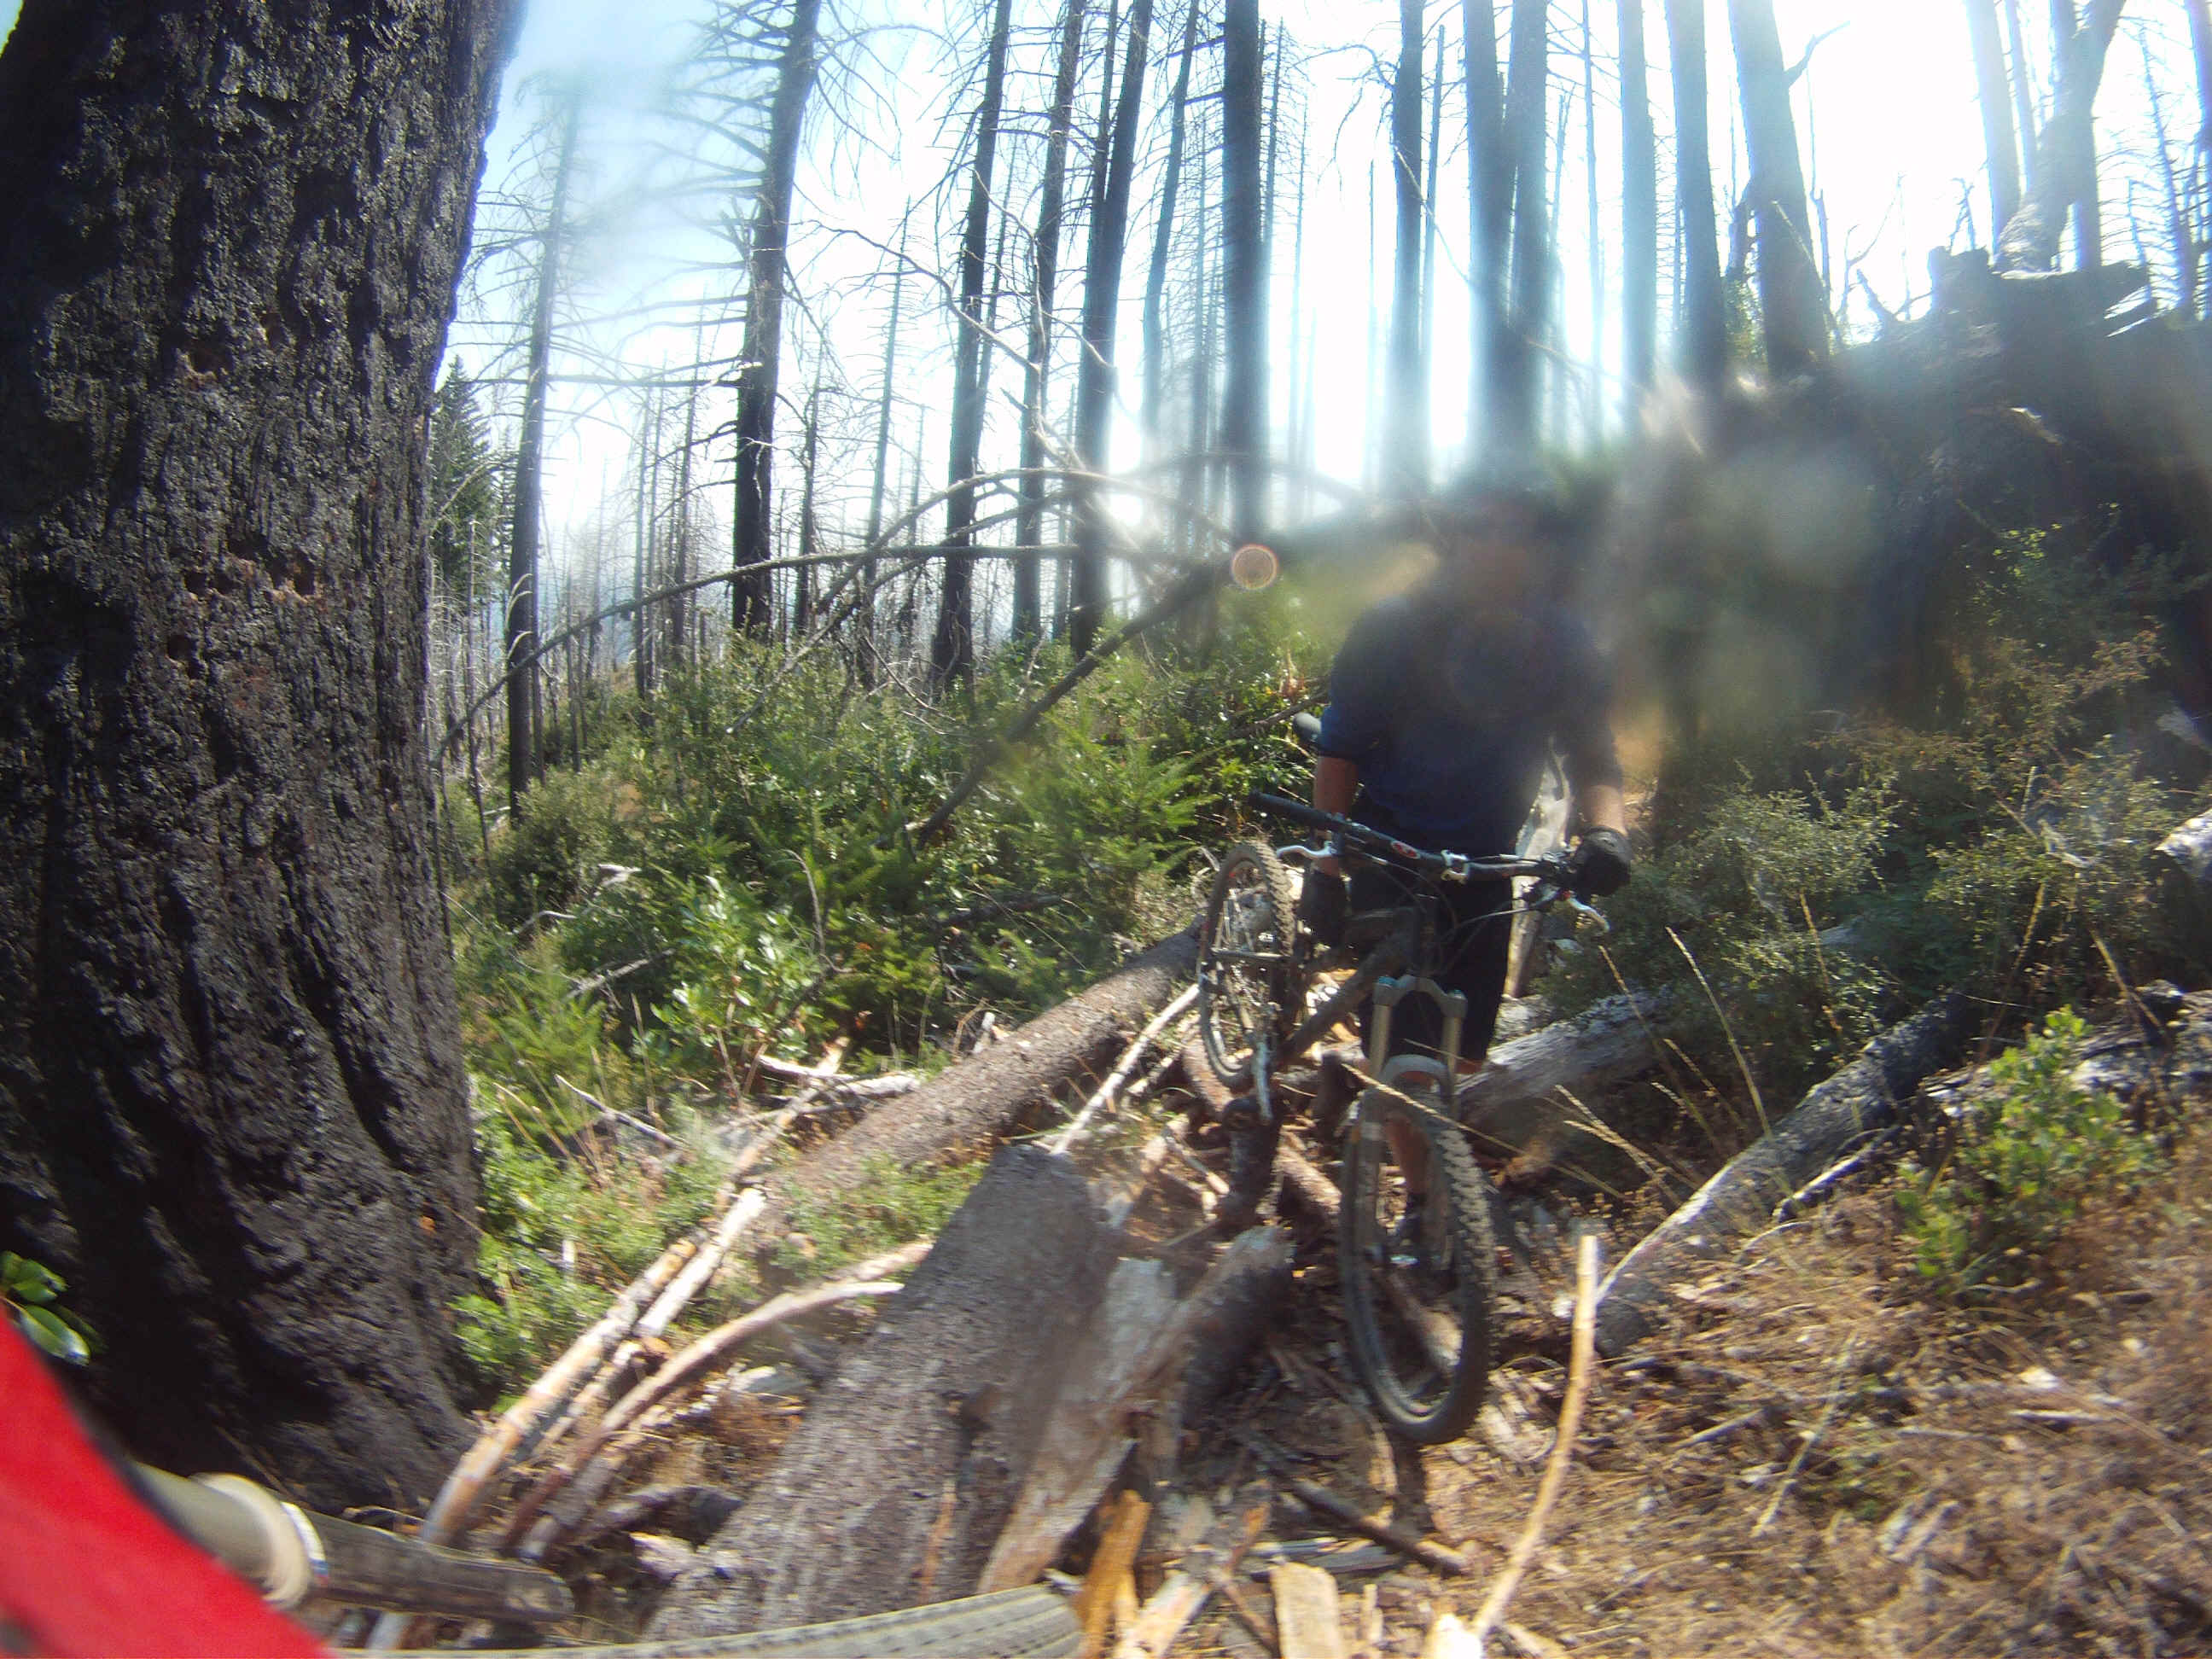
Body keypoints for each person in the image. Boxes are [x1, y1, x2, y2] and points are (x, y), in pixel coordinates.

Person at [1305, 480, 1632, 1073]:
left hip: (1487, 867)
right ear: (1451, 537)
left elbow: (1594, 756)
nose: (1498, 546)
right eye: (1481, 528)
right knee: (1402, 1061)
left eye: (1518, 533)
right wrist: (1325, 868)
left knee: (1463, 1063)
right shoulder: (1393, 627)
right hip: (1392, 855)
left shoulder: (1561, 640)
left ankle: (1351, 1085)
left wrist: (1609, 833)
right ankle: (1379, 1101)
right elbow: (1340, 751)